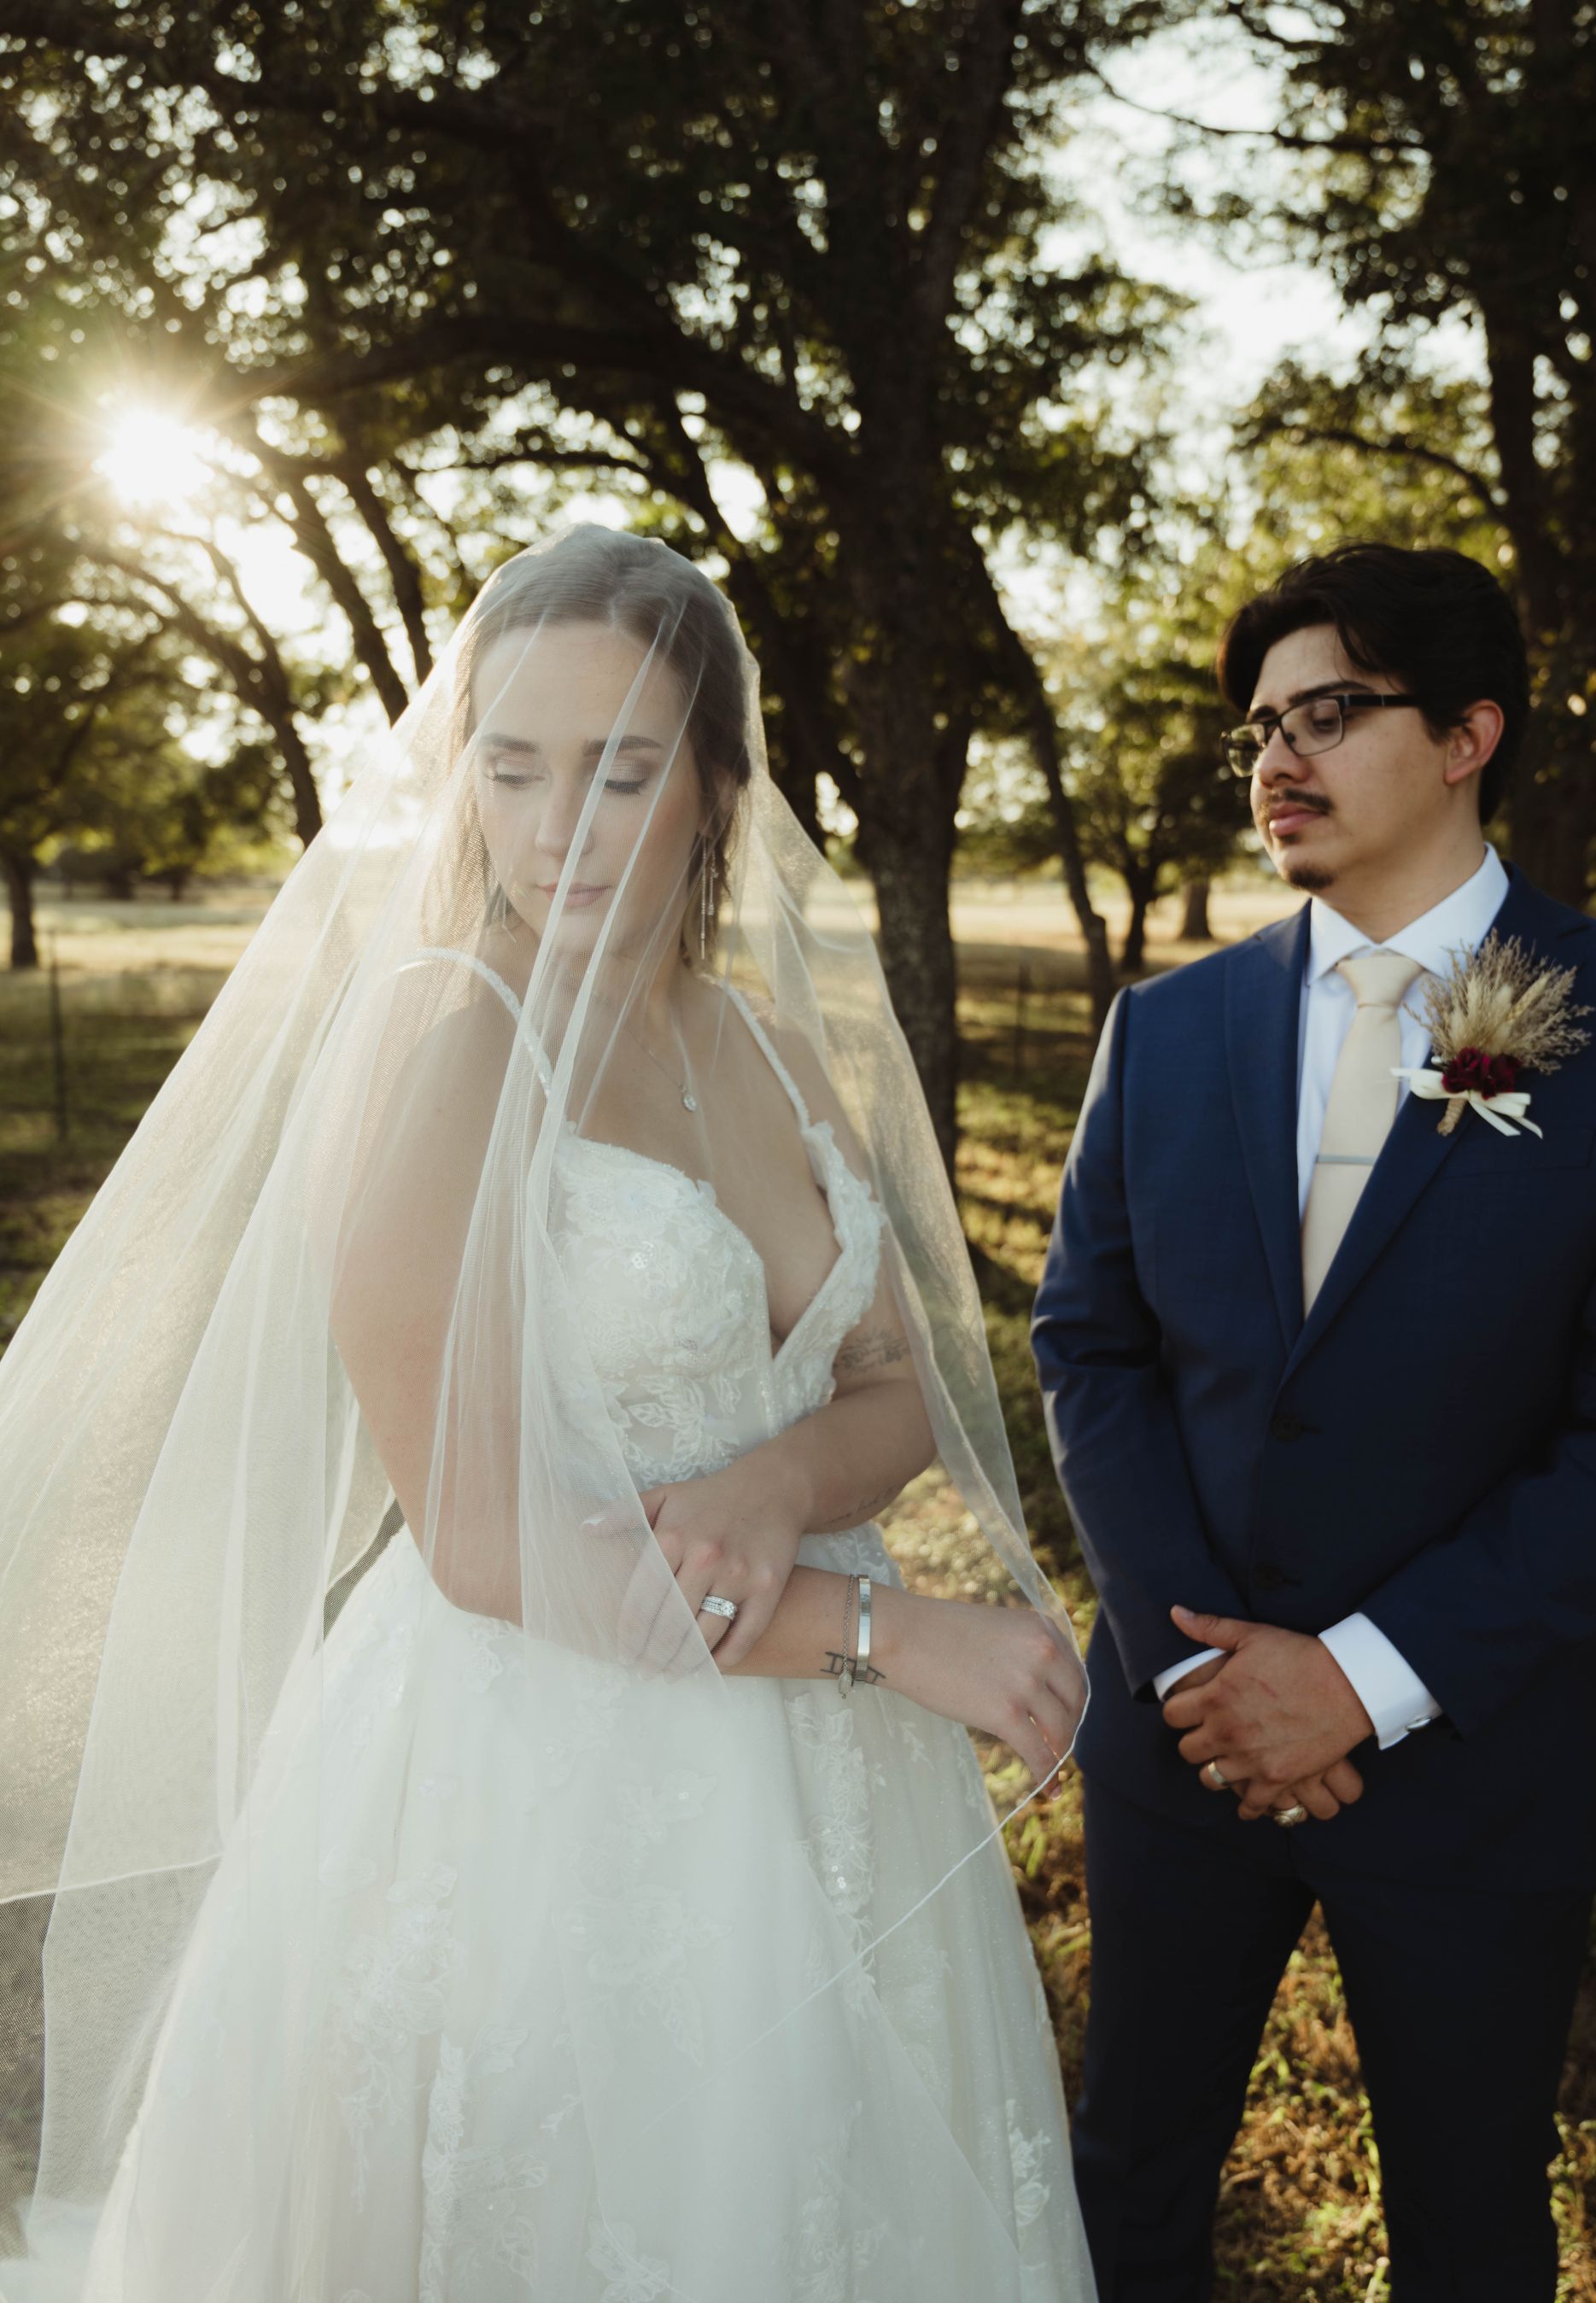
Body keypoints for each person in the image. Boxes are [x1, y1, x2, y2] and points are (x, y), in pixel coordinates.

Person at [0, 526, 1095, 2300]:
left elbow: (886, 1371)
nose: (560, 822)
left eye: (623, 766)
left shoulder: (762, 1045)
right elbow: (482, 1537)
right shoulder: (449, 1048)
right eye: (513, 764)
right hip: (549, 1761)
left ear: (718, 782)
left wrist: (777, 1473)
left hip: (819, 1785)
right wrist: (884, 1627)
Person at [1032, 541, 1596, 2301]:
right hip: (1183, 1743)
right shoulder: (1169, 1030)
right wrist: (1195, 1672)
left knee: (1468, 2228)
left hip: (1468, 1754)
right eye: (1258, 727)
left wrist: (1361, 1674)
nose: (1274, 759)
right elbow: (1091, 1347)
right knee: (1128, 2182)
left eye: (1328, 712)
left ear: (1467, 733)